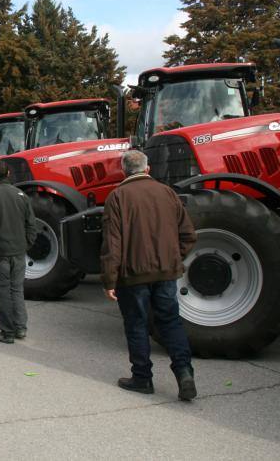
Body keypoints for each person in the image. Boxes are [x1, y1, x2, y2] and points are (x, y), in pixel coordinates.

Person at [100, 150, 198, 401]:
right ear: (148, 169)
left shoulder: (117, 197)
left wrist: (110, 279)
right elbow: (188, 234)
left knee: (136, 324)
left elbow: (113, 243)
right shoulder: (168, 193)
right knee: (170, 321)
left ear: (124, 171)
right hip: (166, 272)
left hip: (132, 276)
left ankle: (142, 377)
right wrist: (174, 258)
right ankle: (184, 372)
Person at [0, 159, 36, 344]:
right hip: (18, 251)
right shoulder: (21, 195)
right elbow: (31, 224)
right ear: (8, 174)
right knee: (16, 289)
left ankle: (7, 331)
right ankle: (20, 327)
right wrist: (26, 244)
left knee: (1, 291)